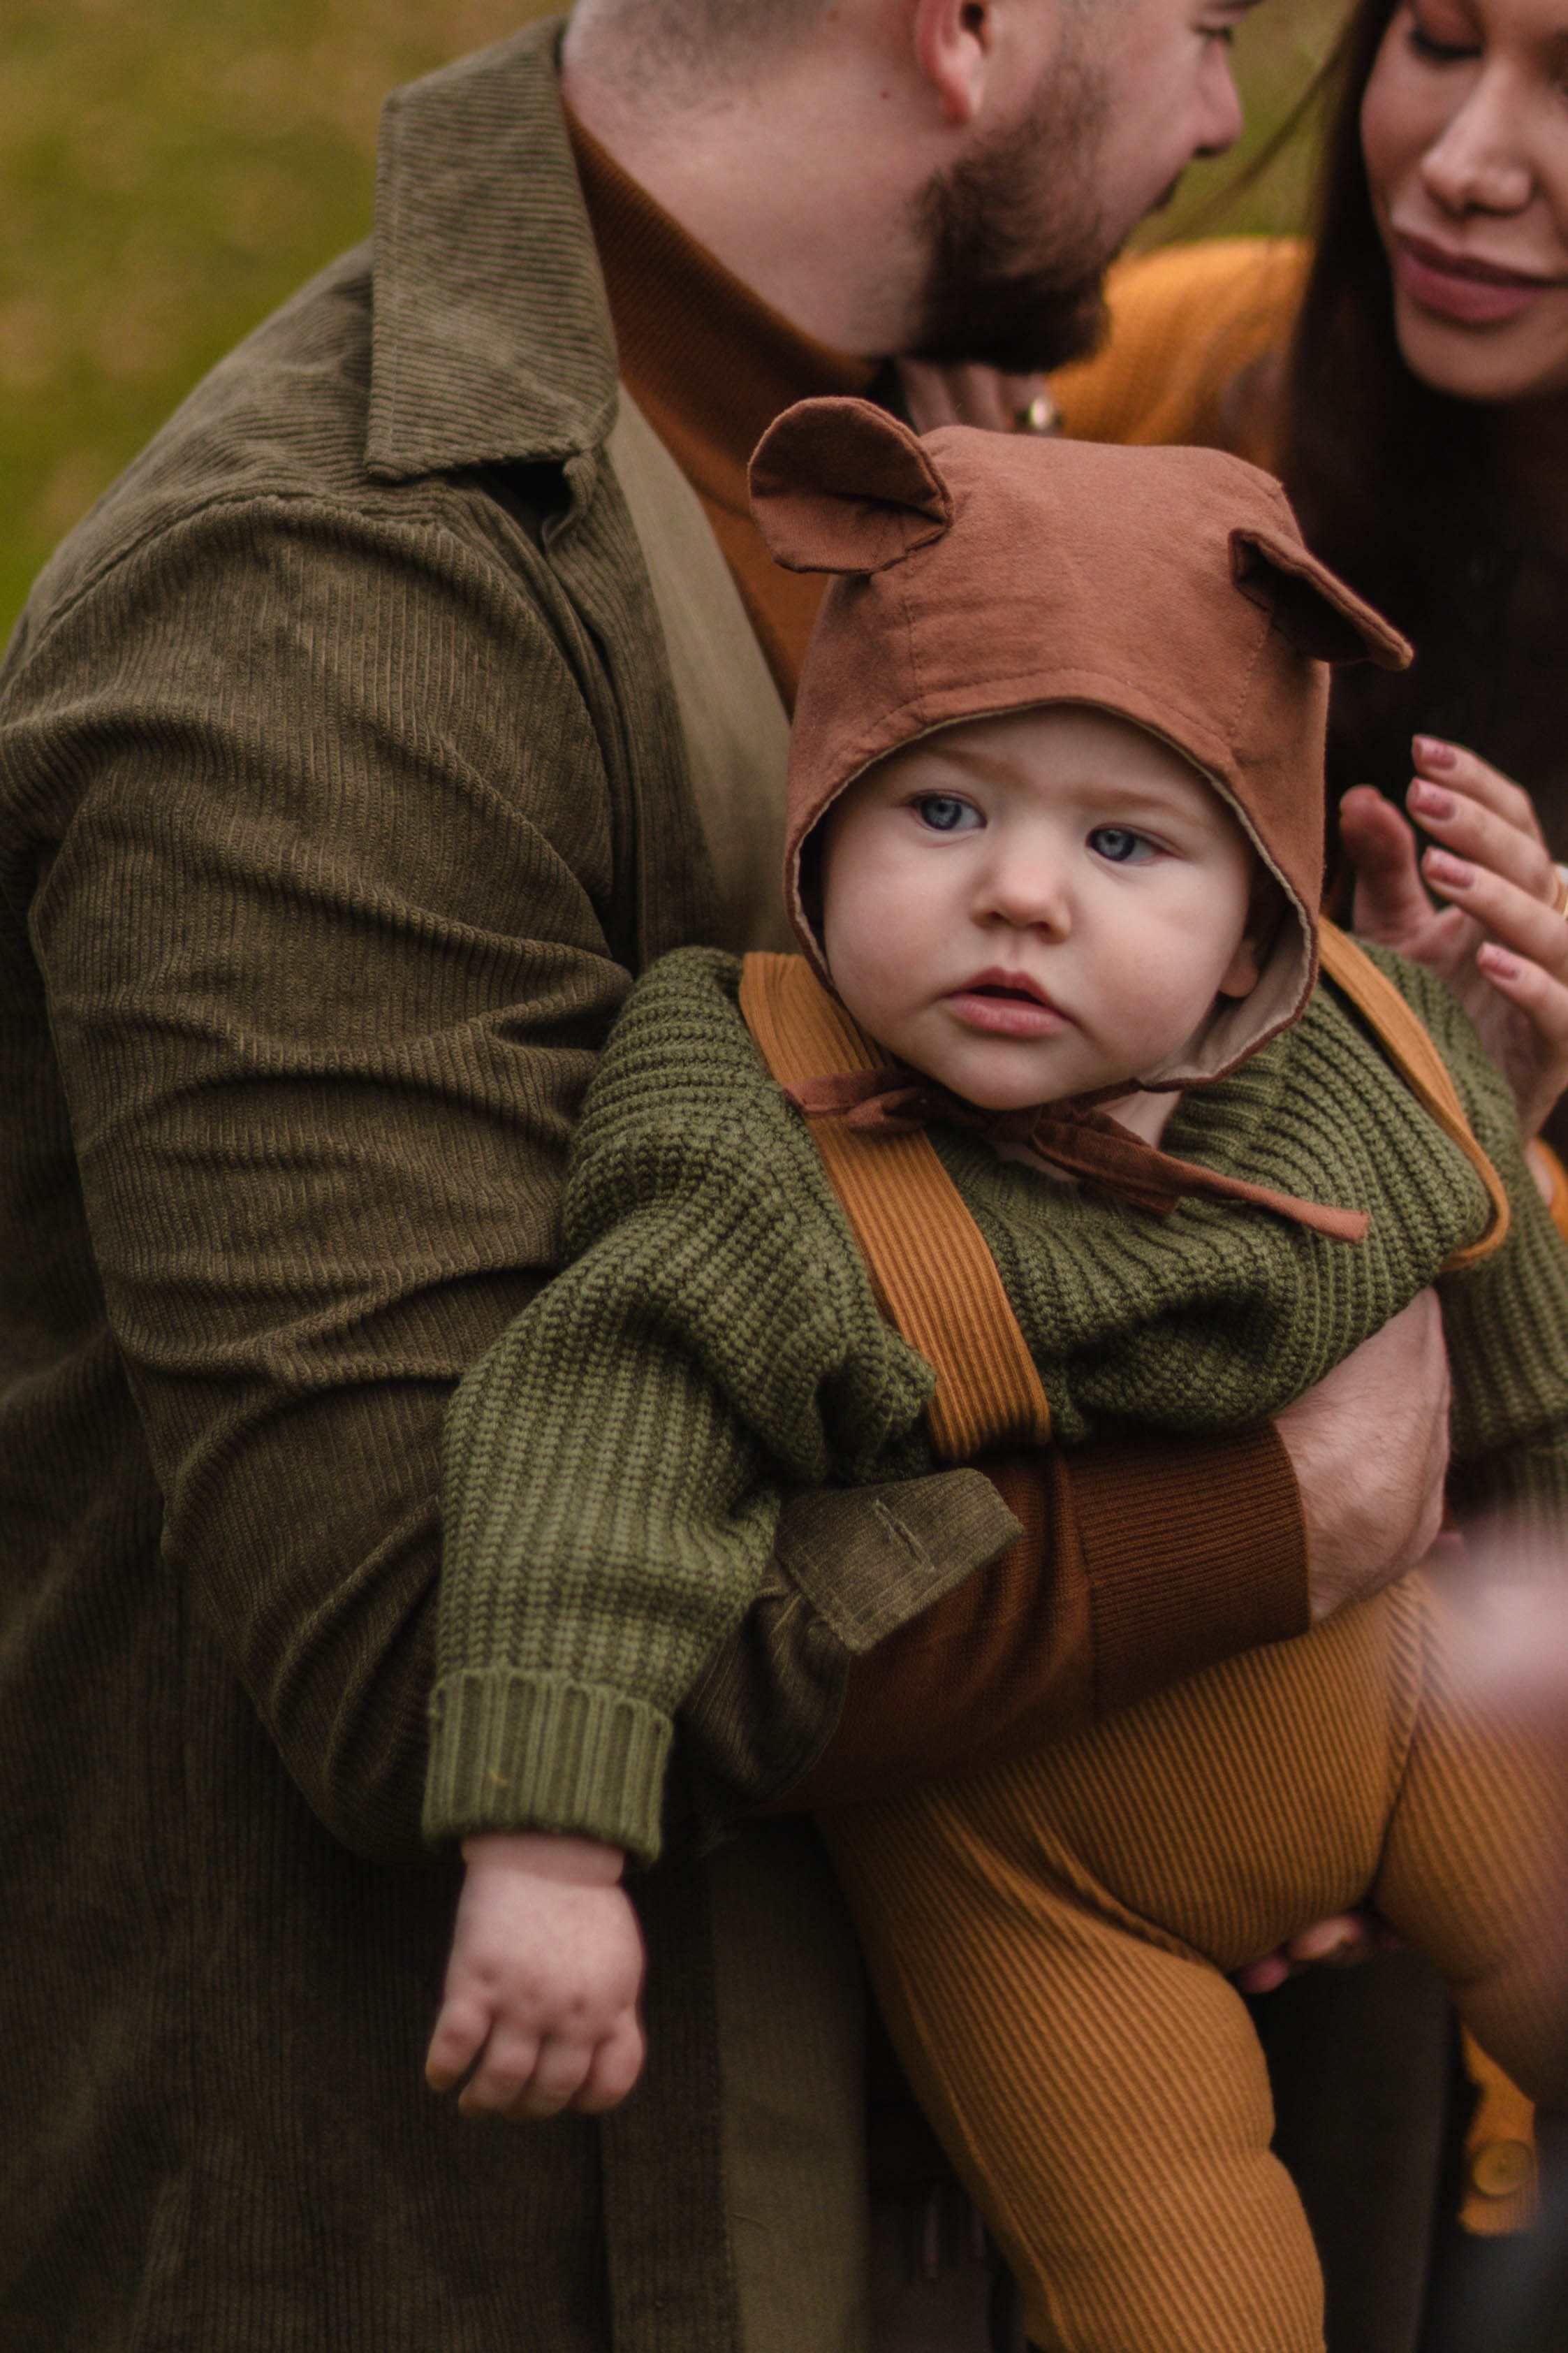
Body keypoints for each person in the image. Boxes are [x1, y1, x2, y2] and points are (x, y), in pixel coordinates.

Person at [0, 3, 1551, 2345]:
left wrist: (1449, 1090)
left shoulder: (932, 403)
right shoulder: (317, 601)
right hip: (541, 2245)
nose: (1238, 118)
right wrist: (1259, 1533)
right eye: (1206, 28)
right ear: (967, 27)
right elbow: (422, 1637)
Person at [423, 399, 1568, 2352]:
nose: (1021, 897)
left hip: (1401, 1714)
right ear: (824, 826)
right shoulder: (752, 1142)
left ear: (1245, 944)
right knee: (1181, 2283)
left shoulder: (1354, 1057)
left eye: (1127, 843)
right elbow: (595, 1437)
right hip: (1032, 1882)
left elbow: (1511, 1289)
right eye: (943, 810)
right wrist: (547, 1851)